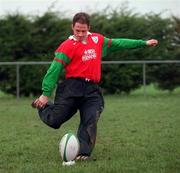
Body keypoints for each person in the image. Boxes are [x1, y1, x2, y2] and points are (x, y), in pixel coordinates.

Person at [32, 12, 158, 161]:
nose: (80, 34)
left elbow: (119, 43)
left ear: (89, 28)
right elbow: (54, 70)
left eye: (83, 31)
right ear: (72, 27)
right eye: (77, 30)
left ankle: (83, 153)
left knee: (90, 120)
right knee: (54, 121)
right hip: (72, 88)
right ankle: (43, 106)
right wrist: (46, 93)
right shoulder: (66, 47)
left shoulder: (97, 40)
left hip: (92, 90)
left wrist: (142, 43)